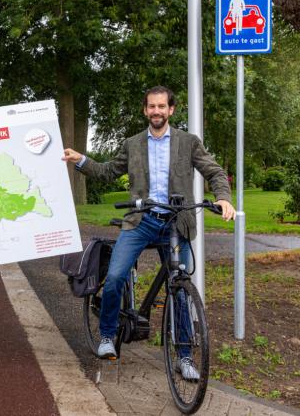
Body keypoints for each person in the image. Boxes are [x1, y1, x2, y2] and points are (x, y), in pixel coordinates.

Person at [63, 86, 235, 380]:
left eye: (162, 106)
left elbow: (214, 172)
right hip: (141, 221)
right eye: (151, 107)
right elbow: (107, 172)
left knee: (179, 289)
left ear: (171, 110)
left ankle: (184, 357)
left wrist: (223, 197)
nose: (156, 111)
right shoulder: (133, 144)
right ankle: (106, 335)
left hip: (176, 223)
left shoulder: (188, 142)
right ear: (145, 110)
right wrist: (80, 159)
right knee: (116, 276)